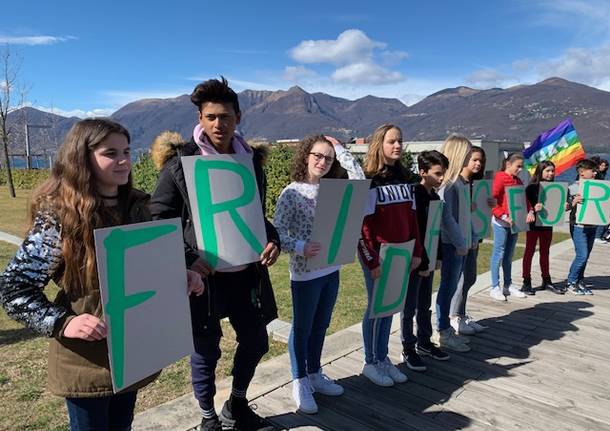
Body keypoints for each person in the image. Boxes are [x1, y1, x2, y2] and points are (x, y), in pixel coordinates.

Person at [0, 118, 203, 431]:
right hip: (86, 361)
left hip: (134, 352)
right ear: (82, 157)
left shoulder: (140, 206)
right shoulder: (60, 216)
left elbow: (149, 267)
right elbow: (14, 289)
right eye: (111, 153)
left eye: (126, 150)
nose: (123, 160)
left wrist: (181, 274)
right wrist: (63, 322)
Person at [150, 77, 280, 431]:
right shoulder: (181, 162)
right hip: (204, 277)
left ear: (238, 117)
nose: (217, 125)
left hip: (247, 273)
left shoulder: (250, 161)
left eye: (224, 116)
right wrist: (187, 258)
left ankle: (237, 403)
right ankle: (208, 417)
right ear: (200, 118)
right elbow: (158, 217)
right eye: (210, 117)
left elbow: (255, 215)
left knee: (255, 341)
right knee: (205, 352)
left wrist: (273, 240)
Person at [273, 135, 364, 414]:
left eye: (328, 157)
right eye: (317, 155)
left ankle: (314, 372)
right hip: (305, 273)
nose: (322, 162)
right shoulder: (292, 192)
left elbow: (360, 181)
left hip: (331, 268)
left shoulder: (333, 189)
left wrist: (340, 150)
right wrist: (300, 246)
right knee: (302, 328)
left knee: (321, 325)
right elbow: (276, 232)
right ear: (305, 155)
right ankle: (299, 380)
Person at [358, 124, 423, 387]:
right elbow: (361, 226)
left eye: (400, 141)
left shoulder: (406, 179)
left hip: (402, 254)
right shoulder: (370, 180)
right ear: (379, 145)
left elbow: (413, 218)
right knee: (376, 307)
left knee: (389, 308)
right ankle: (370, 361)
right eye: (391, 141)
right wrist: (371, 260)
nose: (397, 145)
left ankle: (383, 357)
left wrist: (417, 252)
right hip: (379, 255)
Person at [400, 150, 451, 372]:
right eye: (437, 173)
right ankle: (408, 346)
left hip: (429, 259)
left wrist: (438, 256)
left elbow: (435, 230)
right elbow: (416, 231)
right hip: (416, 259)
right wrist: (421, 261)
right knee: (409, 305)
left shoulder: (435, 197)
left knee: (424, 304)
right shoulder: (416, 195)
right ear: (423, 172)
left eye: (443, 174)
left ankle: (424, 341)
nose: (441, 178)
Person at [436, 134, 475, 352]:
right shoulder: (448, 184)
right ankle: (442, 330)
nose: (470, 157)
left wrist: (472, 236)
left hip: (461, 243)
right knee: (447, 288)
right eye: (468, 152)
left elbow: (463, 216)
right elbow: (446, 216)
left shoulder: (459, 182)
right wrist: (461, 242)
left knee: (451, 287)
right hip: (452, 245)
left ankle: (446, 329)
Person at [449, 146, 492, 335]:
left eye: (480, 160)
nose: (478, 163)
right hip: (461, 237)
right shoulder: (456, 183)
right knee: (461, 278)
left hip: (473, 234)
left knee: (470, 277)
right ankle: (453, 317)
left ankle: (461, 313)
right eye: (474, 159)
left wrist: (489, 203)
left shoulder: (475, 183)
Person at [489, 153, 528, 301]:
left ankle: (508, 284)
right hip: (501, 223)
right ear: (508, 164)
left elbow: (523, 200)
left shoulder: (518, 181)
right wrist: (504, 216)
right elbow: (491, 200)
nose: (520, 170)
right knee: (498, 254)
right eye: (518, 166)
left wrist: (529, 211)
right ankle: (495, 286)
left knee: (508, 255)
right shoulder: (500, 178)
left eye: (521, 167)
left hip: (515, 224)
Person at [522, 161, 564, 295]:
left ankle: (546, 280)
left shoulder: (556, 188)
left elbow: (558, 208)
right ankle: (526, 282)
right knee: (529, 251)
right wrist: (533, 209)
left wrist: (565, 207)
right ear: (540, 172)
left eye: (552, 171)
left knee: (545, 252)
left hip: (547, 224)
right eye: (548, 171)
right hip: (533, 225)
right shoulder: (531, 188)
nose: (551, 174)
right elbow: (524, 207)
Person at [566, 159, 598, 295]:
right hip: (579, 226)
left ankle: (580, 281)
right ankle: (571, 282)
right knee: (582, 255)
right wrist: (574, 201)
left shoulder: (598, 187)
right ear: (582, 172)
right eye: (593, 170)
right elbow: (565, 208)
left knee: (586, 255)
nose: (595, 173)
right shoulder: (572, 188)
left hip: (593, 226)